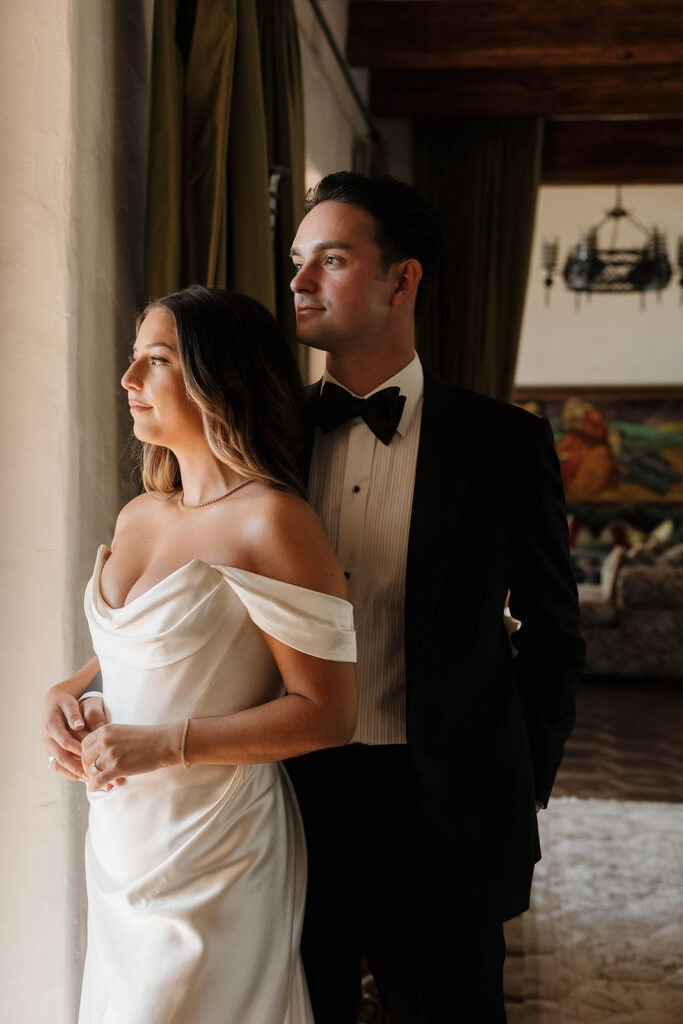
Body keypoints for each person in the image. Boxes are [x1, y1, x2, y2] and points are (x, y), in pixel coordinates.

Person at [282, 173, 585, 1023]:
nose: (300, 282)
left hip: (445, 804)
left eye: (330, 260)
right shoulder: (267, 432)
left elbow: (555, 634)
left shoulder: (502, 442)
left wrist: (517, 775)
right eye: (296, 261)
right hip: (292, 798)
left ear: (401, 278)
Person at [41, 285, 357, 1024]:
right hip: (122, 837)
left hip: (217, 846)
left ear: (222, 378)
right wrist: (67, 688)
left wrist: (164, 744)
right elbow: (149, 648)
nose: (128, 381)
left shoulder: (273, 522)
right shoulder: (141, 513)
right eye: (133, 359)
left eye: (155, 361)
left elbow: (327, 713)